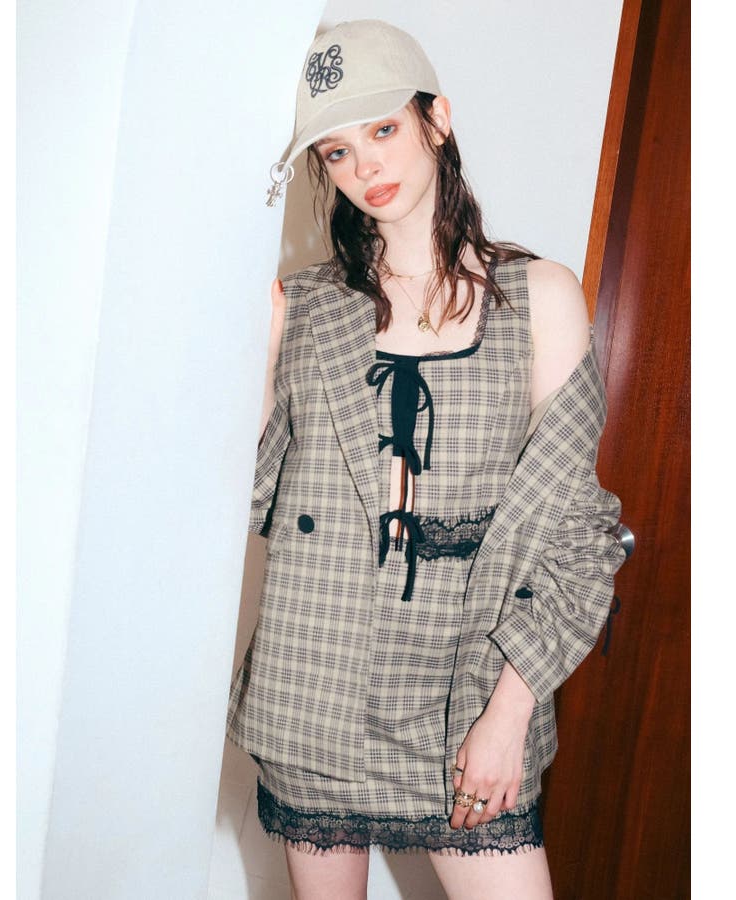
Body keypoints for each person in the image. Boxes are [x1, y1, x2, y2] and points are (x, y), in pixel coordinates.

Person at [226, 19, 626, 900]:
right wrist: (264, 354)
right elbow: (248, 501)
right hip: (315, 689)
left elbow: (579, 532)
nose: (365, 166)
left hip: (465, 690)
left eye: (384, 129)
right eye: (336, 151)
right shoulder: (307, 309)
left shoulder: (537, 297)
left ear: (437, 119)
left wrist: (508, 714)